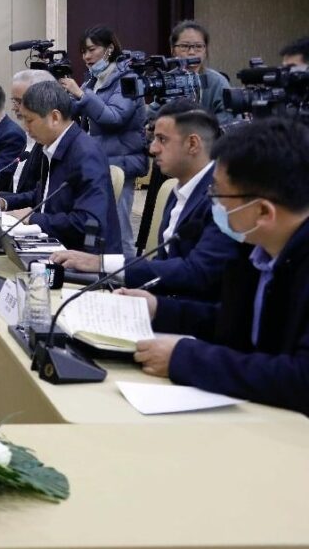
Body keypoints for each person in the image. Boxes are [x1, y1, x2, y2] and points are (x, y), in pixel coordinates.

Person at [122, 117, 309, 416]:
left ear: (263, 211)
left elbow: (300, 379)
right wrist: (159, 309)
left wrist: (186, 359)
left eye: (219, 194)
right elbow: (231, 323)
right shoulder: (256, 250)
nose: (215, 206)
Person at [50, 100, 239, 299]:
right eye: (153, 138)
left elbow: (194, 272)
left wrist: (102, 263)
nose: (153, 149)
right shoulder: (180, 190)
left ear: (192, 144)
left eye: (162, 139)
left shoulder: (222, 198)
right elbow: (164, 264)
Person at [0, 81, 122, 253]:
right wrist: (2, 201)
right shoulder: (53, 146)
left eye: (30, 120)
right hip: (53, 241)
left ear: (55, 118)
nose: (26, 128)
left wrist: (33, 218)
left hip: (84, 257)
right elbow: (42, 195)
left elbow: (87, 222)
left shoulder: (86, 154)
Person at [59, 25, 147, 258]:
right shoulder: (93, 80)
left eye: (92, 49)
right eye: (83, 52)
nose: (86, 57)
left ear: (109, 48)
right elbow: (74, 112)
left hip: (122, 162)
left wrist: (80, 94)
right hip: (99, 162)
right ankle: (102, 272)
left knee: (120, 228)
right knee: (98, 227)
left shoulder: (128, 78)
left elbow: (114, 117)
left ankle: (129, 272)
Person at [169, 20, 234, 124]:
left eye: (198, 46)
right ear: (173, 50)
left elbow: (228, 121)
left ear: (205, 51)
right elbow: (151, 116)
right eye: (184, 46)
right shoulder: (166, 80)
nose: (191, 52)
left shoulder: (218, 82)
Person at [9, 69, 55, 193]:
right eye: (14, 101)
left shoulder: (52, 142)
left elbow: (41, 196)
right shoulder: (30, 135)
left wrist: (1, 199)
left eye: (19, 102)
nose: (14, 108)